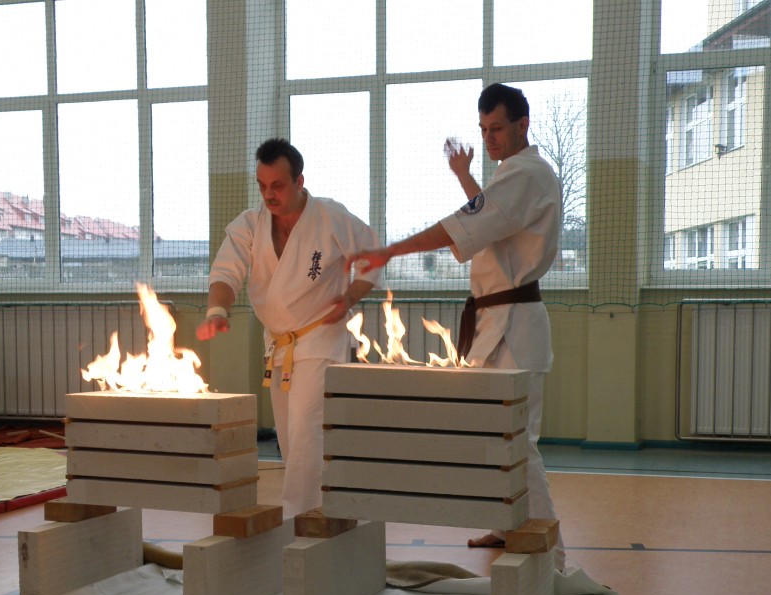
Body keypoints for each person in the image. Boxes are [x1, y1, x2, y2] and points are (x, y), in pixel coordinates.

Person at [347, 83, 566, 569]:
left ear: (523, 125)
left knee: (518, 443)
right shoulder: (513, 176)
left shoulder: (527, 173)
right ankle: (506, 526)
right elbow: (487, 223)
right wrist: (465, 177)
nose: (489, 138)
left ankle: (551, 555)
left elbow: (459, 227)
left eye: (497, 128)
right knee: (494, 434)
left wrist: (390, 251)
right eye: (483, 130)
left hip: (514, 325)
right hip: (496, 322)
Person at [197, 138, 382, 519]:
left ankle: (300, 518)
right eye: (262, 186)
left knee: (305, 431)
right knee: (289, 436)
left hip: (321, 337)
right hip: (279, 345)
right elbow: (226, 272)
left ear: (299, 181)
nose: (269, 195)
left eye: (278, 186)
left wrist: (349, 297)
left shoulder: (330, 217)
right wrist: (217, 310)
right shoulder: (250, 224)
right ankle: (324, 510)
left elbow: (373, 258)